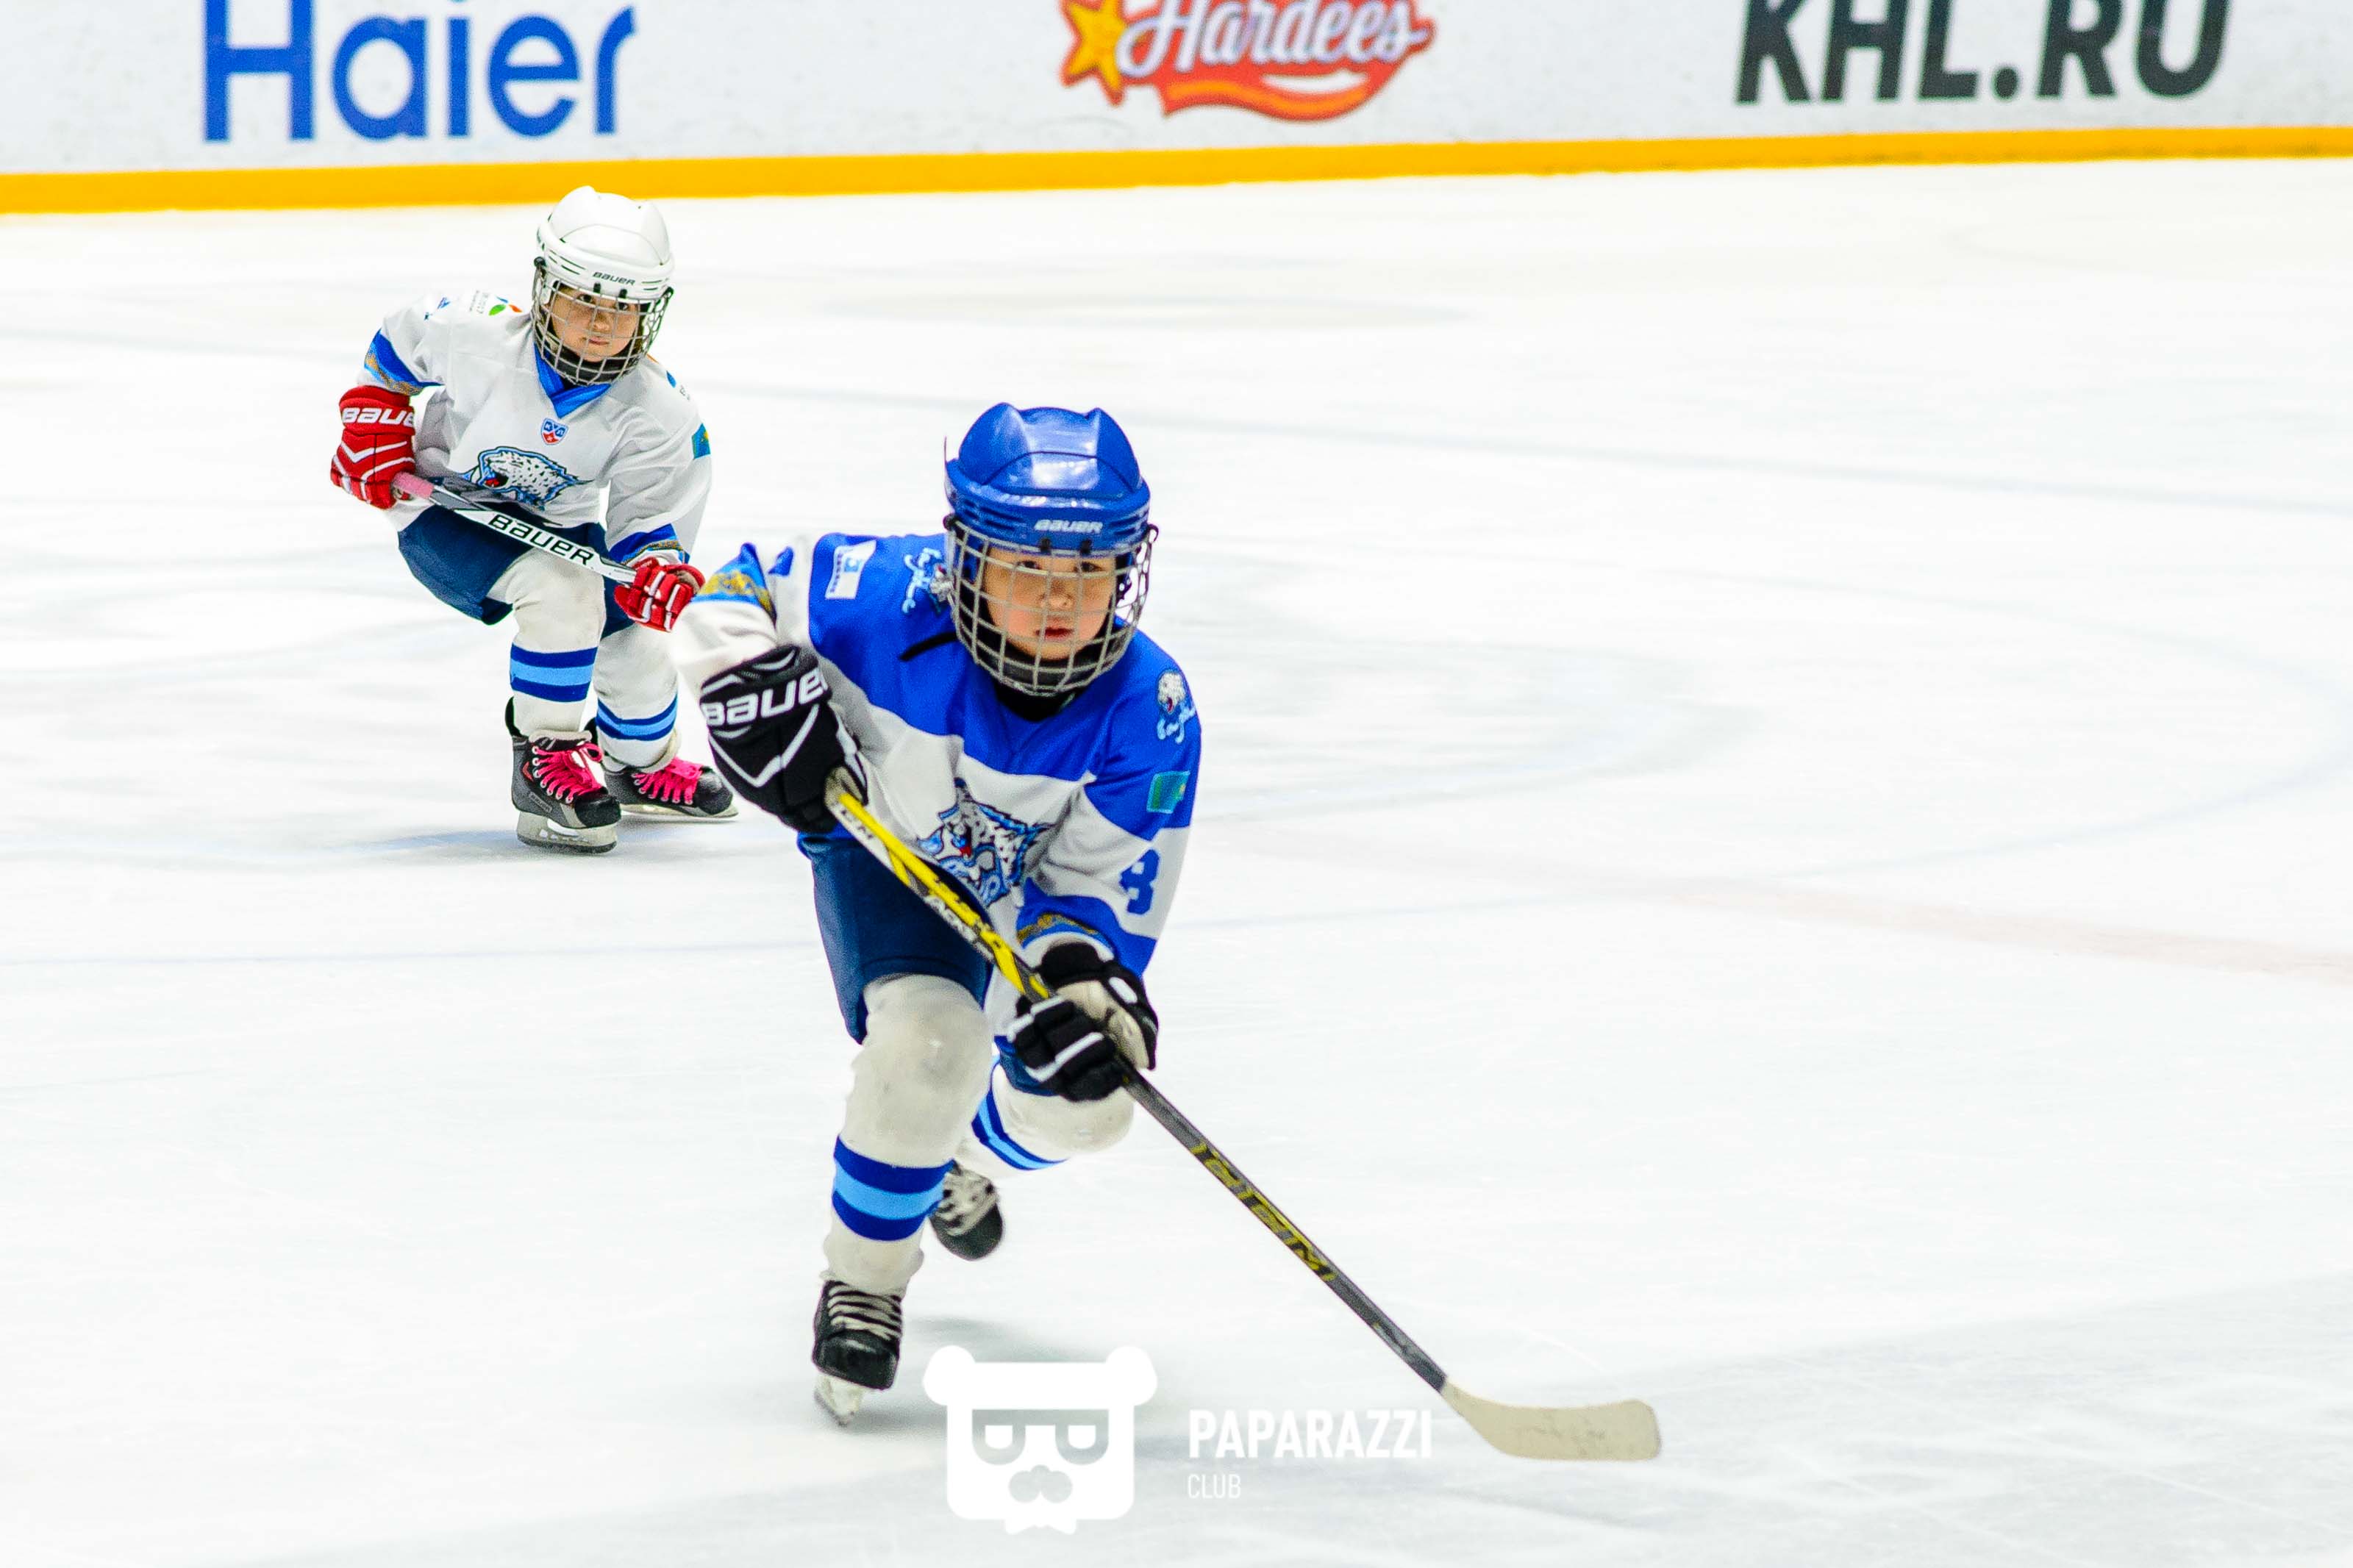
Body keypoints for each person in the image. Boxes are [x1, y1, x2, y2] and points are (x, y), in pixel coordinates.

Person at [674, 404, 1202, 1419]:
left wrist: (1085, 993)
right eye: (1027, 567)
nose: (1059, 598)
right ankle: (864, 1283)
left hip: (1017, 904)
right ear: (966, 556)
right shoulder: (874, 596)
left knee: (1090, 1107)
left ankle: (957, 1152)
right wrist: (743, 683)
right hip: (885, 856)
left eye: (1088, 570)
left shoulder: (1153, 710)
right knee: (930, 1045)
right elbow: (731, 590)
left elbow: (1094, 900)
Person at [327, 185, 735, 853]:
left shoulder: (661, 413)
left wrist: (654, 567)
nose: (599, 325)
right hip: (445, 512)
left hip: (561, 528)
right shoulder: (474, 333)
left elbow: (650, 518)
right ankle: (546, 759)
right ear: (545, 290)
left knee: (634, 642)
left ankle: (639, 764)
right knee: (563, 591)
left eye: (621, 309)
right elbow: (398, 344)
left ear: (650, 312)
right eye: (583, 301)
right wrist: (375, 414)